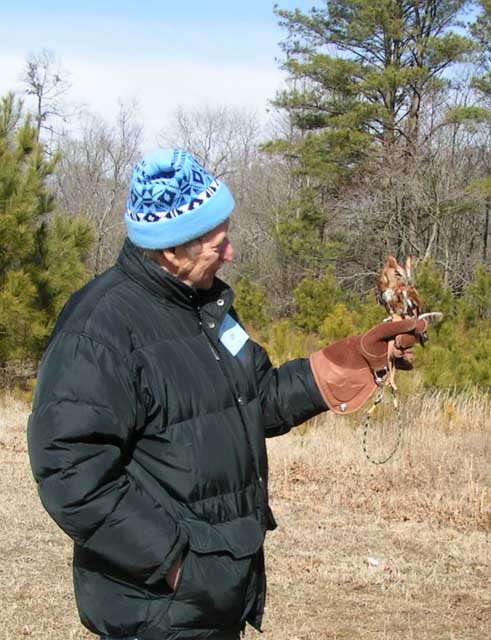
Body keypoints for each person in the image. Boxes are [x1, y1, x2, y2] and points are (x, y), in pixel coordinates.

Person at [27, 149, 427, 640]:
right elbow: (70, 471)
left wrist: (353, 361)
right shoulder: (99, 330)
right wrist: (176, 564)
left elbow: (257, 397)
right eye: (218, 244)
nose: (231, 253)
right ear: (172, 250)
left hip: (214, 597)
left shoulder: (205, 307)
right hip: (156, 610)